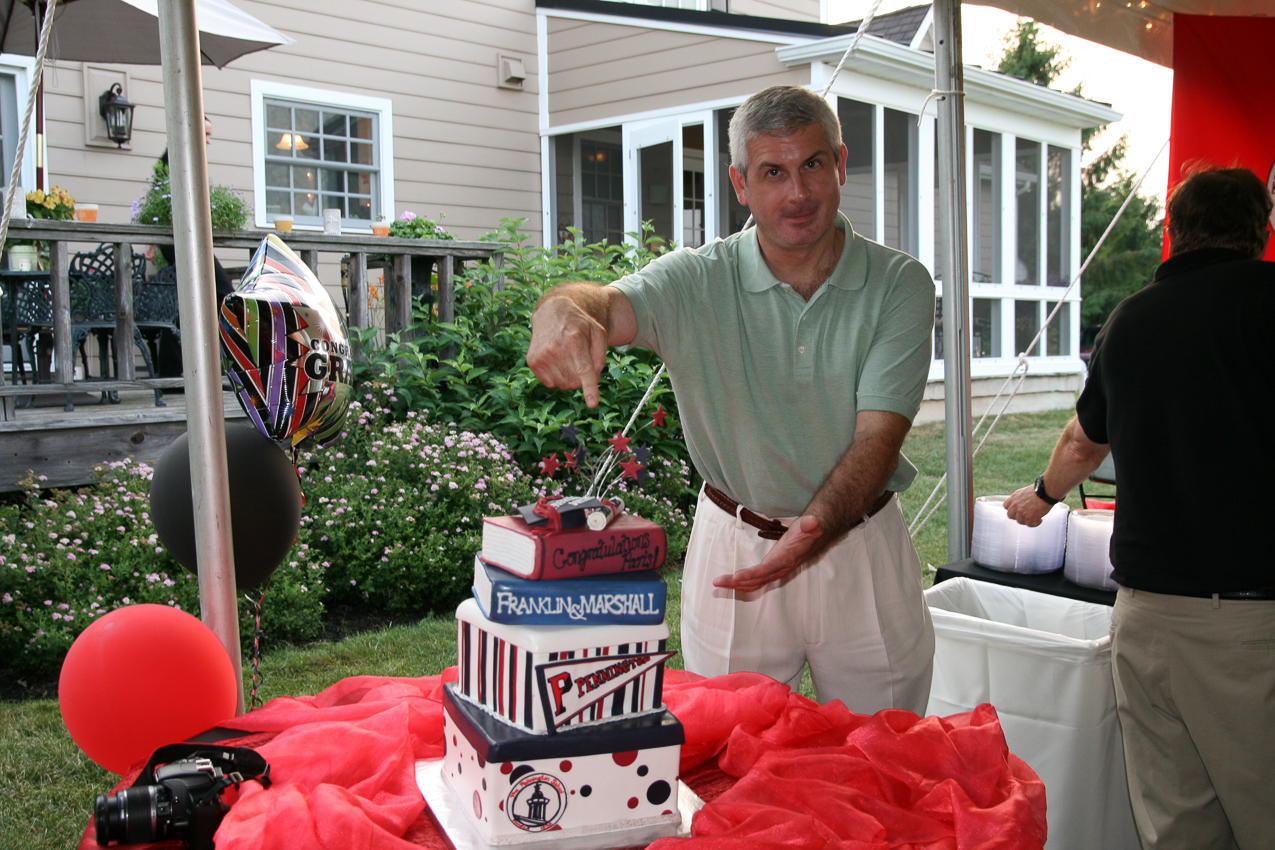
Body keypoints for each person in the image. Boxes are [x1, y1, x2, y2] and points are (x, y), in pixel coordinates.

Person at [526, 85, 936, 715]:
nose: (797, 193)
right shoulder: (694, 279)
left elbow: (878, 438)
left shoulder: (899, 284)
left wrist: (812, 532)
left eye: (812, 164)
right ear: (739, 184)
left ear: (841, 164)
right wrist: (560, 309)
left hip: (861, 545)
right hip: (735, 548)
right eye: (773, 172)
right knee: (730, 748)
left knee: (882, 751)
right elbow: (604, 304)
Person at [1003, 166, 1275, 849]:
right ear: (1261, 230)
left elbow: (1081, 442)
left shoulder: (1130, 320)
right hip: (1252, 622)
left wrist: (1042, 496)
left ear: (1172, 231)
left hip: (1147, 614)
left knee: (1176, 822)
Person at [154, 116, 233, 377]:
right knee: (222, 294)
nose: (209, 140)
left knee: (186, 303)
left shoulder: (186, 158)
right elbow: (162, 202)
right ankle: (212, 363)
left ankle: (179, 369)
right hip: (181, 242)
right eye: (205, 134)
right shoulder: (176, 158)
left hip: (189, 240)